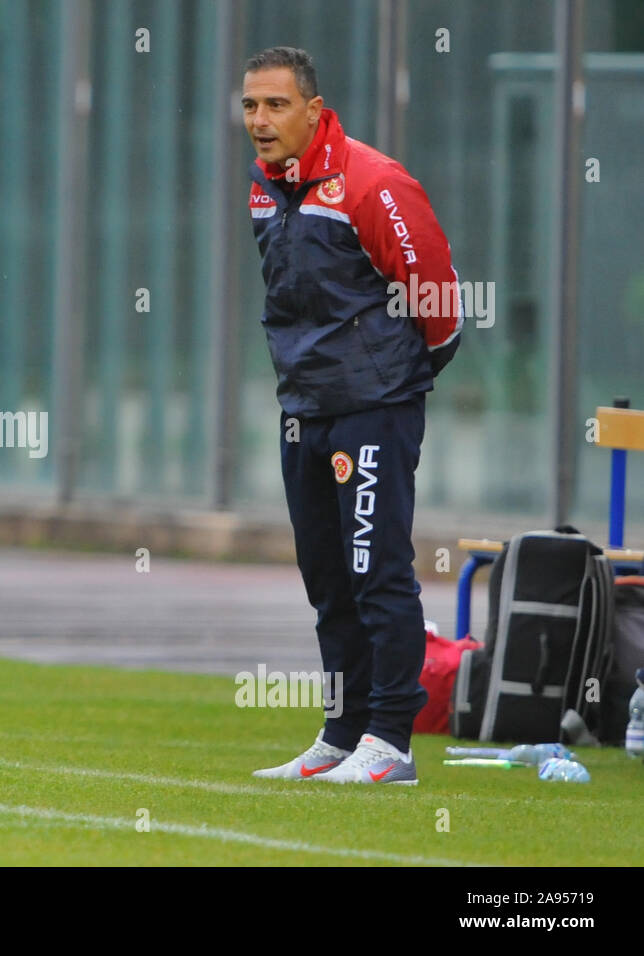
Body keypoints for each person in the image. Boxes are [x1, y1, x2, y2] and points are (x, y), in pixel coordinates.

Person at [241, 48, 461, 785]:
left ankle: (391, 740)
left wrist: (391, 387)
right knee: (327, 577)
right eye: (250, 106)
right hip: (303, 407)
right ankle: (342, 732)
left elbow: (438, 303)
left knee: (377, 571)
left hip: (373, 407)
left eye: (275, 105)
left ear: (313, 108)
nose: (260, 121)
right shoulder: (265, 188)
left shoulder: (372, 182)